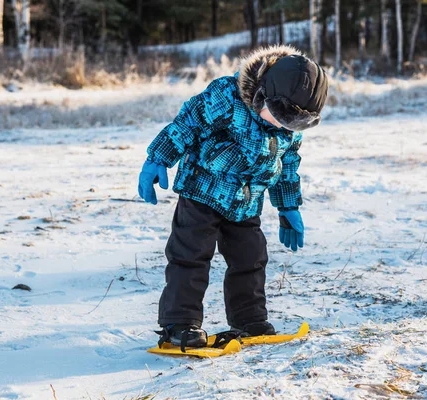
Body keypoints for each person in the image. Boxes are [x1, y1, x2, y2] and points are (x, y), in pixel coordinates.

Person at [138, 45, 328, 348]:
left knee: (251, 259)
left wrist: (288, 206)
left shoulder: (289, 129)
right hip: (202, 192)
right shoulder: (226, 96)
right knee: (190, 257)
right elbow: (187, 124)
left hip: (247, 202)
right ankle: (179, 323)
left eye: (290, 124)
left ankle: (249, 320)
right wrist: (158, 158)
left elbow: (288, 165)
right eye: (279, 117)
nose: (281, 126)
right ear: (263, 93)